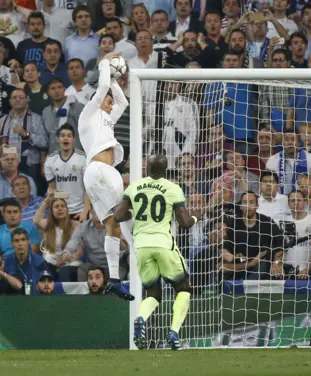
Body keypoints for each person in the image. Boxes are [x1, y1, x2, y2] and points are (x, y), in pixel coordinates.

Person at [114, 154, 197, 351]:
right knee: (183, 288)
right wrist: (196, 217)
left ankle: (141, 318)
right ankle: (174, 333)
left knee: (153, 291)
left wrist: (134, 212)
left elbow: (118, 215)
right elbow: (184, 223)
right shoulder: (172, 188)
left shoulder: (134, 187)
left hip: (141, 246)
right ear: (166, 171)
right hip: (163, 244)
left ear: (147, 170)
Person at [77, 51, 133, 301]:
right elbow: (100, 90)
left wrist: (114, 79)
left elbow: (123, 103)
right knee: (127, 219)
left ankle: (114, 279)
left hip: (99, 174)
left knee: (113, 227)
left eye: (109, 102)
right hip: (100, 170)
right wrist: (105, 62)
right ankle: (140, 257)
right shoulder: (88, 115)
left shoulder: (108, 120)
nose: (110, 104)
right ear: (97, 101)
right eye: (106, 101)